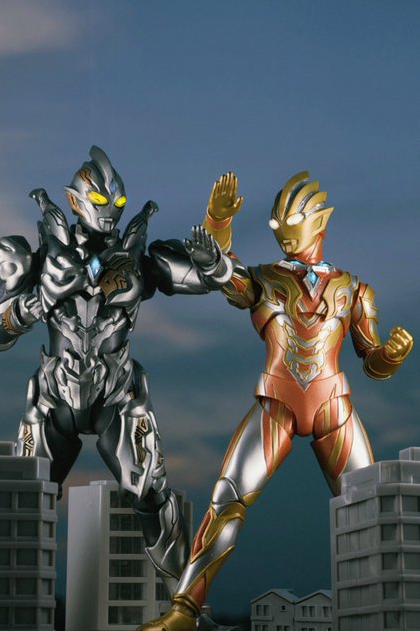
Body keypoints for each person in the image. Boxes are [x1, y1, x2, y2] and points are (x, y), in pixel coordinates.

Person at [138, 170, 414, 631]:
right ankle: (185, 609)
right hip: (277, 403)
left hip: (333, 407)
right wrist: (218, 223)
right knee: (227, 500)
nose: (283, 233)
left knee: (371, 509)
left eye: (292, 223)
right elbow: (225, 277)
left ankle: (394, 613)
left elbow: (371, 361)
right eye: (276, 224)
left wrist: (392, 354)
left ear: (319, 221)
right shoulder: (264, 278)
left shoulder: (353, 289)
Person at [0, 145, 233, 597]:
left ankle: (186, 606)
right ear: (75, 201)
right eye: (100, 201)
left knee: (151, 493)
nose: (111, 211)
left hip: (116, 394)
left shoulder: (139, 259)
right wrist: (35, 303)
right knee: (23, 501)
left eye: (119, 202)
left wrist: (215, 246)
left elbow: (212, 277)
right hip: (55, 397)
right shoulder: (38, 258)